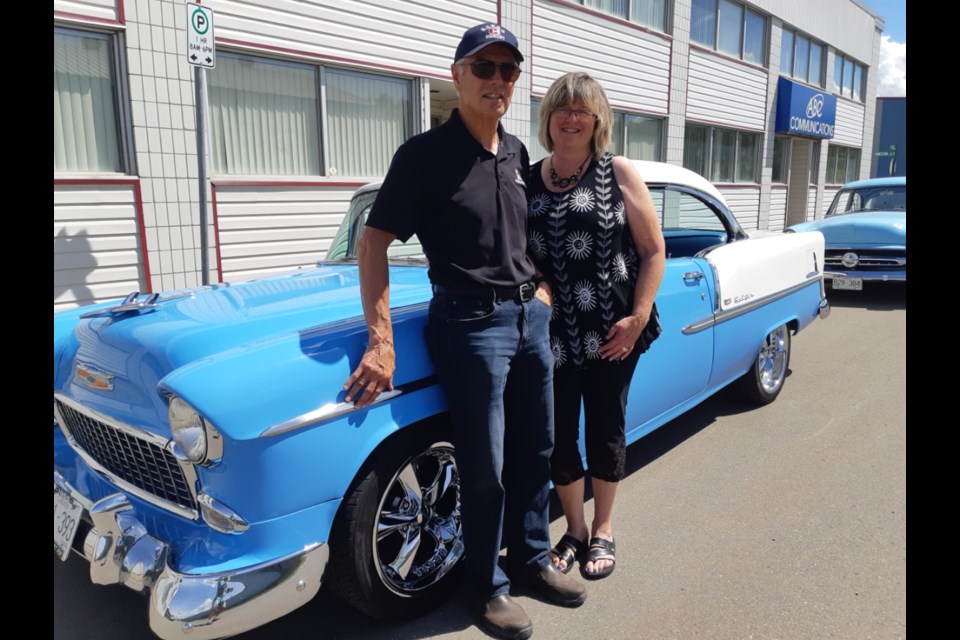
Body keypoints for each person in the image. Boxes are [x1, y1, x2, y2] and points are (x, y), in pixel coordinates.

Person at [342, 23, 586, 640]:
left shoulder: (515, 154)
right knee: (488, 464)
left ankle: (530, 559)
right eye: (484, 68)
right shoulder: (422, 156)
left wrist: (542, 290)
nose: (497, 81)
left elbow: (519, 235)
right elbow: (374, 243)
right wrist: (380, 338)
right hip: (470, 323)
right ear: (457, 75)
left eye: (508, 71)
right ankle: (486, 585)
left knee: (538, 448)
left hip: (530, 318)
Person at [525, 72, 666, 580]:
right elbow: (523, 254)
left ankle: (604, 528)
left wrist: (640, 315)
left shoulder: (617, 171)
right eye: (562, 109)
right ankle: (575, 529)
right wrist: (538, 282)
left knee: (606, 428)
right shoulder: (530, 175)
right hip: (554, 335)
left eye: (582, 110)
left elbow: (653, 251)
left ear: (597, 119)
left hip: (612, 330)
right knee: (558, 436)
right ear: (549, 118)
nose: (571, 118)